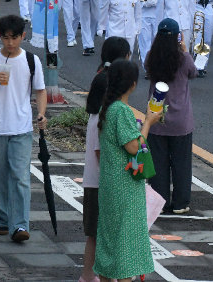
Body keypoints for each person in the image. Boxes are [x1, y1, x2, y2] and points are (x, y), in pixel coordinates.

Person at [0, 15, 47, 243]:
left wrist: (41, 113)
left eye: (15, 38)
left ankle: (20, 224)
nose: (10, 43)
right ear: (0, 37)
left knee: (21, 176)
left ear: (22, 36)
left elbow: (40, 90)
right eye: (6, 38)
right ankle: (4, 219)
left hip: (22, 126)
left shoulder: (31, 61)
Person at [93, 58, 159, 282]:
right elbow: (134, 147)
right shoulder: (122, 111)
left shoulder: (108, 108)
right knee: (126, 244)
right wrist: (148, 122)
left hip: (110, 184)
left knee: (109, 240)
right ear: (133, 84)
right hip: (125, 187)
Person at [80, 37, 128, 282]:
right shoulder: (103, 118)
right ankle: (95, 276)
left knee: (95, 235)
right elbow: (102, 154)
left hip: (95, 182)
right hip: (103, 183)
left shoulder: (96, 116)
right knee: (106, 236)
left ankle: (88, 276)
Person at [144, 18, 196, 214]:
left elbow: (148, 70)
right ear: (177, 37)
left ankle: (160, 202)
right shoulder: (183, 59)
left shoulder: (151, 56)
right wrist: (184, 49)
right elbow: (193, 73)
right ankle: (181, 203)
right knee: (181, 163)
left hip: (156, 117)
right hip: (181, 120)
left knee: (158, 162)